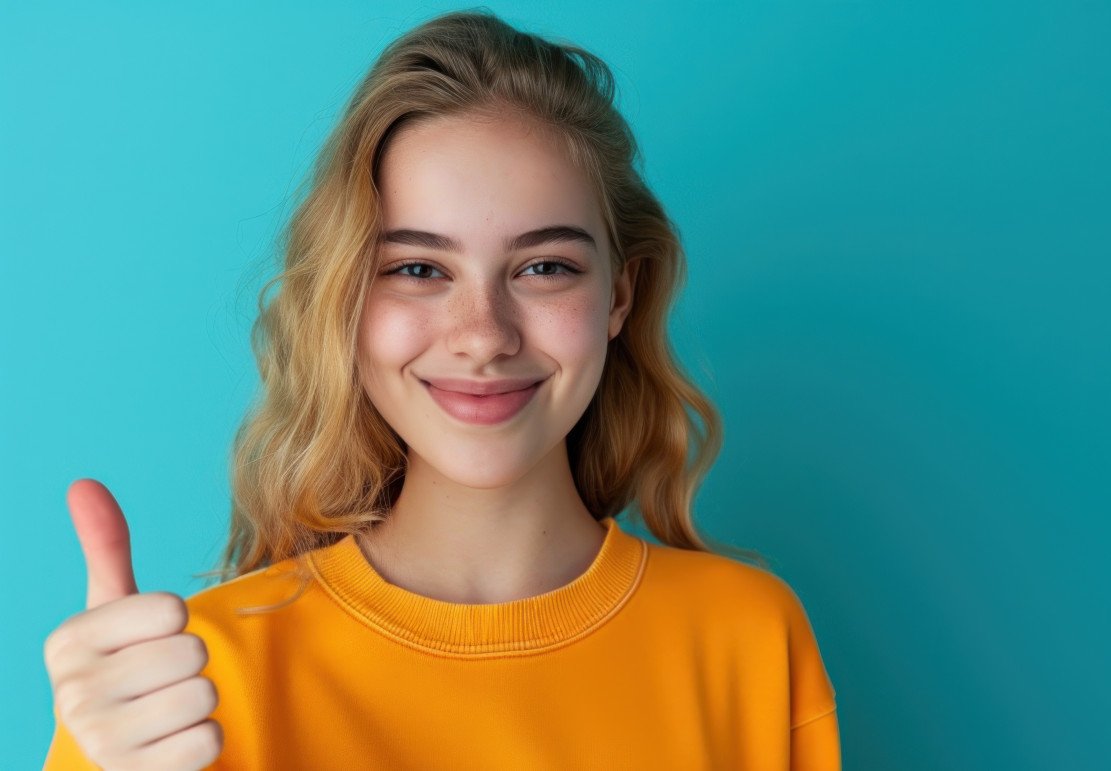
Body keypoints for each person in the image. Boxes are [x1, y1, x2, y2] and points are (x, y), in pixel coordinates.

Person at [42, 9, 839, 770]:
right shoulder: (184, 688)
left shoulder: (751, 638)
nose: (483, 332)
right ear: (345, 300)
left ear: (620, 297)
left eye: (544, 267)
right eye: (418, 269)